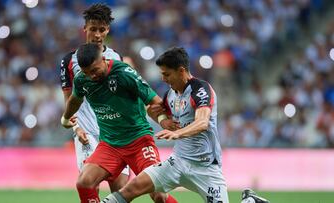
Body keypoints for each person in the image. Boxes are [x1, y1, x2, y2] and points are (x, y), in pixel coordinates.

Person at [100, 47, 270, 203]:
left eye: (166, 74)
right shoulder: (171, 94)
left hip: (205, 168)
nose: (163, 79)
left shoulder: (201, 90)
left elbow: (202, 123)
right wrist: (162, 120)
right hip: (177, 162)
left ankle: (250, 201)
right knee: (132, 188)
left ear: (181, 71)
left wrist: (177, 134)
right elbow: (152, 108)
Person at [61, 43, 178, 203]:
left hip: (139, 142)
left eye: (94, 70)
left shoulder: (124, 72)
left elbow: (154, 101)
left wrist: (164, 120)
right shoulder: (82, 79)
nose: (92, 76)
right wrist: (66, 118)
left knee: (159, 194)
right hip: (109, 145)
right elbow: (74, 100)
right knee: (84, 183)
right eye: (87, 72)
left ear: (103, 59)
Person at [59, 3, 128, 193]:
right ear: (84, 29)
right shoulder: (69, 60)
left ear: (108, 30)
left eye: (102, 29)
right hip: (86, 132)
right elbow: (68, 100)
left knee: (120, 187)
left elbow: (121, 98)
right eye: (93, 29)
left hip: (114, 132)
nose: (97, 35)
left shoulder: (115, 57)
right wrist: (76, 127)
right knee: (89, 186)